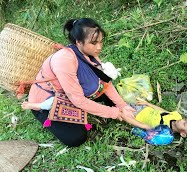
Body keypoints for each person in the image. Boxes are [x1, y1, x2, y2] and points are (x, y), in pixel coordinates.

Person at [25, 18, 150, 147]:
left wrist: (122, 105)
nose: (99, 47)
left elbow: (104, 81)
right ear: (78, 42)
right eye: (94, 43)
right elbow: (78, 100)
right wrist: (114, 113)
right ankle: (43, 115)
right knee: (76, 137)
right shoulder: (64, 59)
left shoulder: (89, 53)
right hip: (47, 101)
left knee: (111, 99)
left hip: (71, 92)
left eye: (101, 42)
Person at [22, 98, 187, 140]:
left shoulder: (164, 130)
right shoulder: (176, 115)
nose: (183, 121)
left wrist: (124, 116)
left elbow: (142, 126)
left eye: (186, 125)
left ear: (184, 134)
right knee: (114, 100)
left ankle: (87, 109)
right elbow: (162, 109)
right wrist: (146, 102)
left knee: (110, 109)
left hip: (134, 115)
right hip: (140, 107)